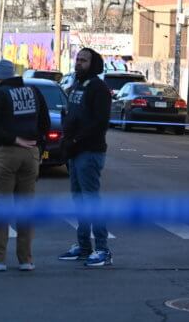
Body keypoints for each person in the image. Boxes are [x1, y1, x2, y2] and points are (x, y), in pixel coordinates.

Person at [0, 60, 50, 271]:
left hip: (5, 153)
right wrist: (36, 143)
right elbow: (45, 123)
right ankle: (26, 259)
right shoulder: (34, 91)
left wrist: (13, 139)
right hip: (31, 154)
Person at [58, 47, 113, 267]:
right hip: (74, 152)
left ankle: (103, 249)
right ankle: (83, 246)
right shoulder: (77, 86)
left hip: (89, 152)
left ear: (93, 64)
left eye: (83, 60)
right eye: (77, 59)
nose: (78, 63)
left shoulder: (98, 88)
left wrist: (76, 139)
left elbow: (100, 122)